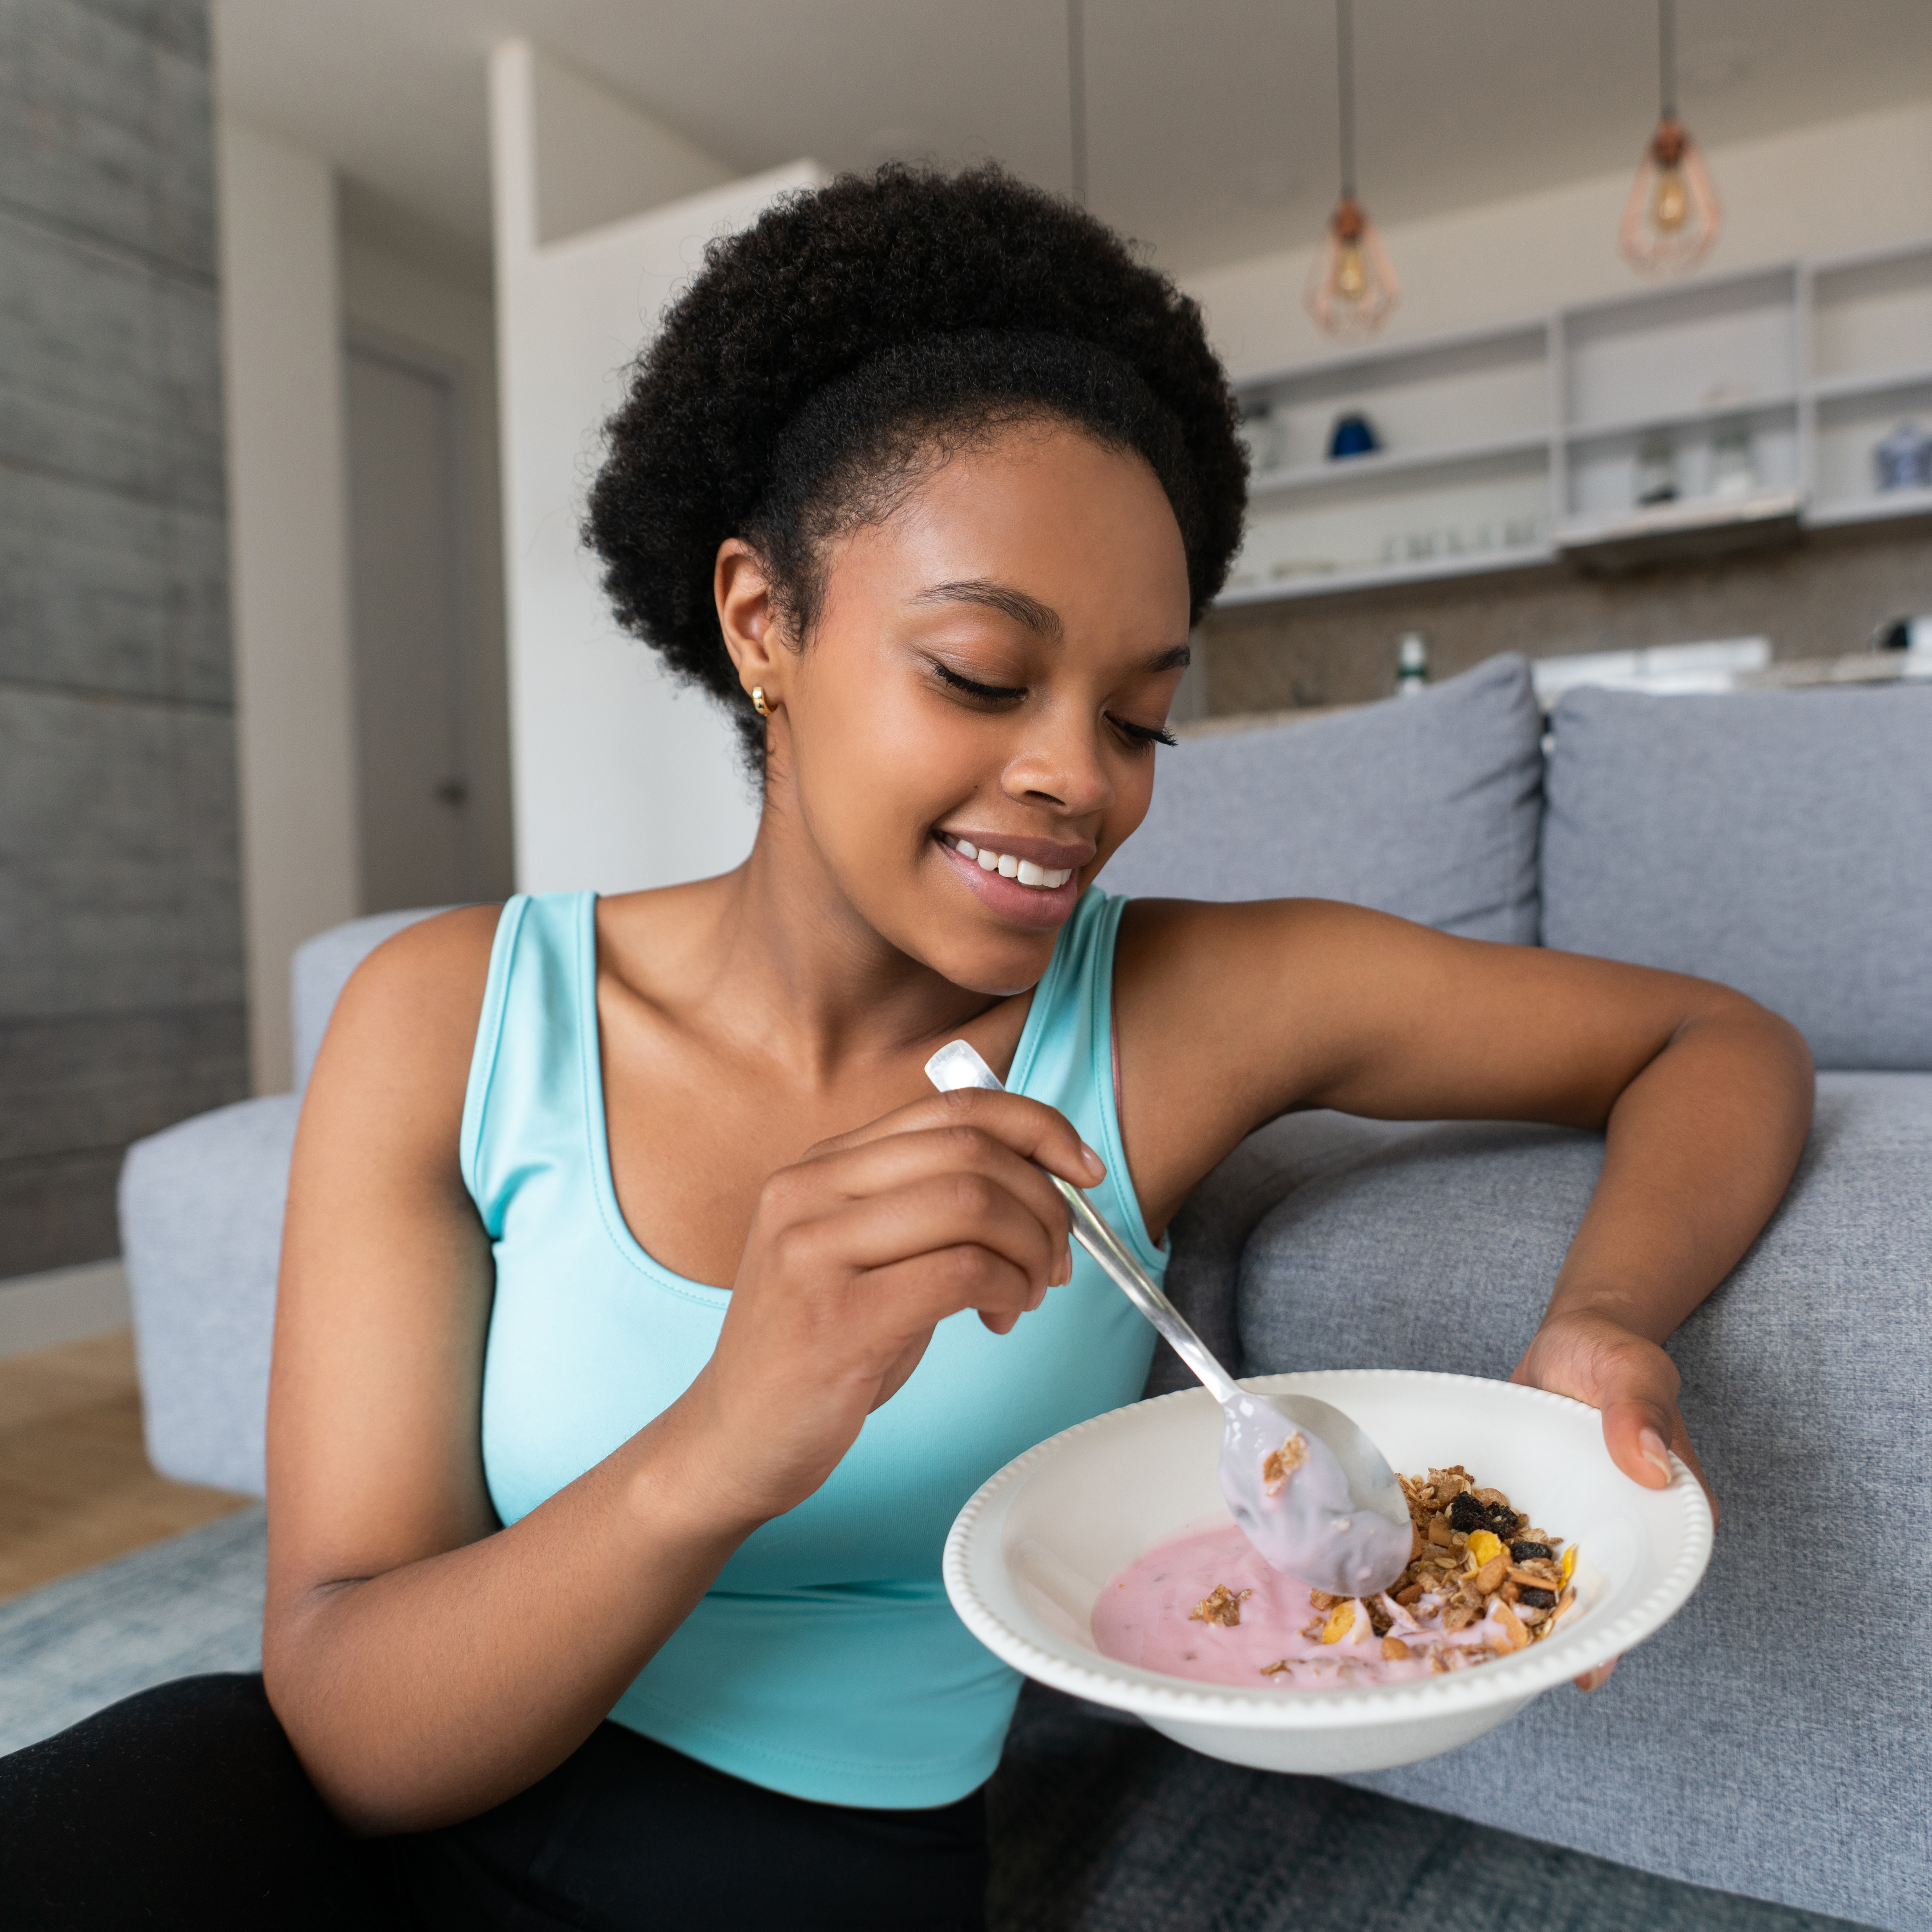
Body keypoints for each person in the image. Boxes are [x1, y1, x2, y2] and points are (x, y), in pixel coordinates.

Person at [0, 165, 1811, 1930]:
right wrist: (727, 1431)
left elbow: (1704, 1037)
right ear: (761, 623)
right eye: (977, 671)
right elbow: (357, 1733)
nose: (1077, 778)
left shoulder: (1178, 1010)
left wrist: (1606, 1319)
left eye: (1139, 715)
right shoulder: (451, 1013)